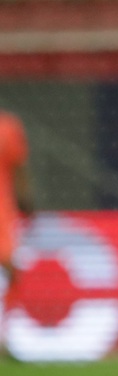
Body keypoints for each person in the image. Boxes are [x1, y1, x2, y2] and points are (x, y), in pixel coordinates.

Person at [0, 110, 34, 357]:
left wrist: (25, 198)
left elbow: (19, 166)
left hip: (3, 211)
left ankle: (4, 338)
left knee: (12, 270)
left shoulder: (8, 126)